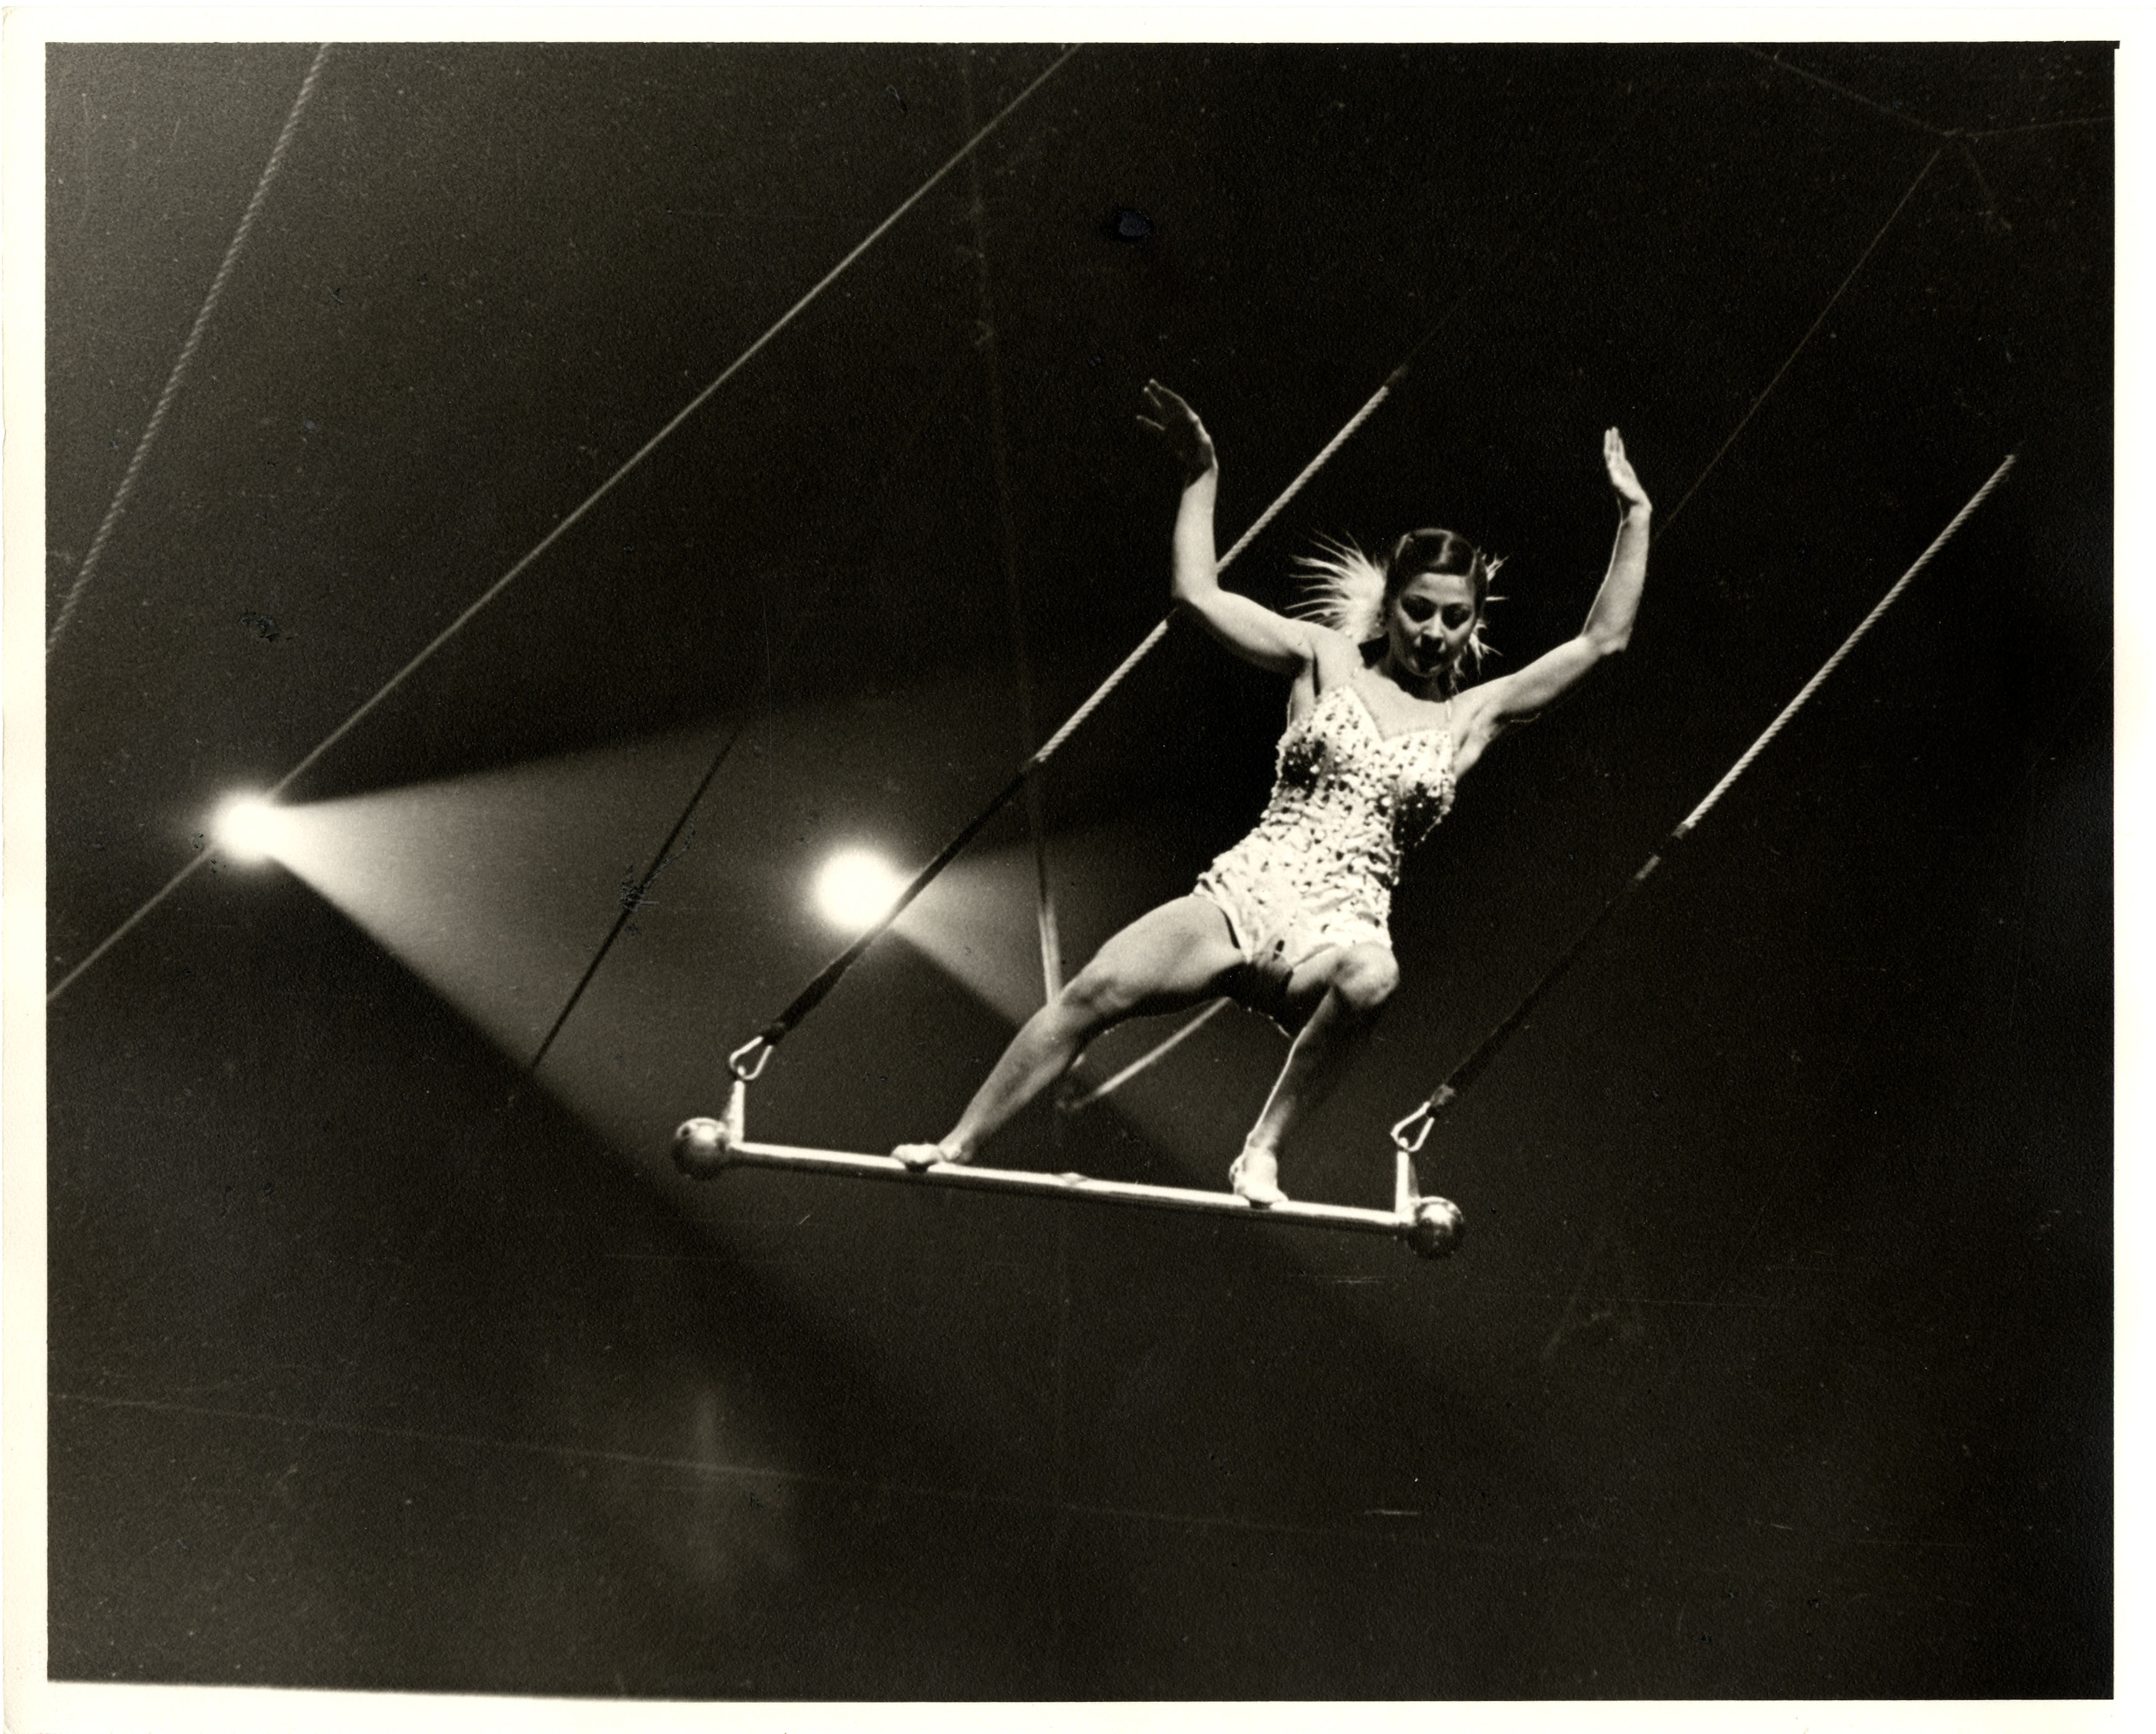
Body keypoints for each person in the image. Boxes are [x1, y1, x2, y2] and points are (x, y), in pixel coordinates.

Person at [895, 380, 1652, 1204]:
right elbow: (1198, 596)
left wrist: (1633, 518)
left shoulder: (1474, 714)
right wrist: (1202, 474)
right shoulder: (1323, 657)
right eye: (1419, 610)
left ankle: (1261, 1148)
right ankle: (960, 1143)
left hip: (1339, 924)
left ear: (1474, 624)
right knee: (1097, 989)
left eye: (1453, 619)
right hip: (1246, 893)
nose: (1433, 633)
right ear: (1390, 604)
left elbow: (1603, 642)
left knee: (1373, 979)